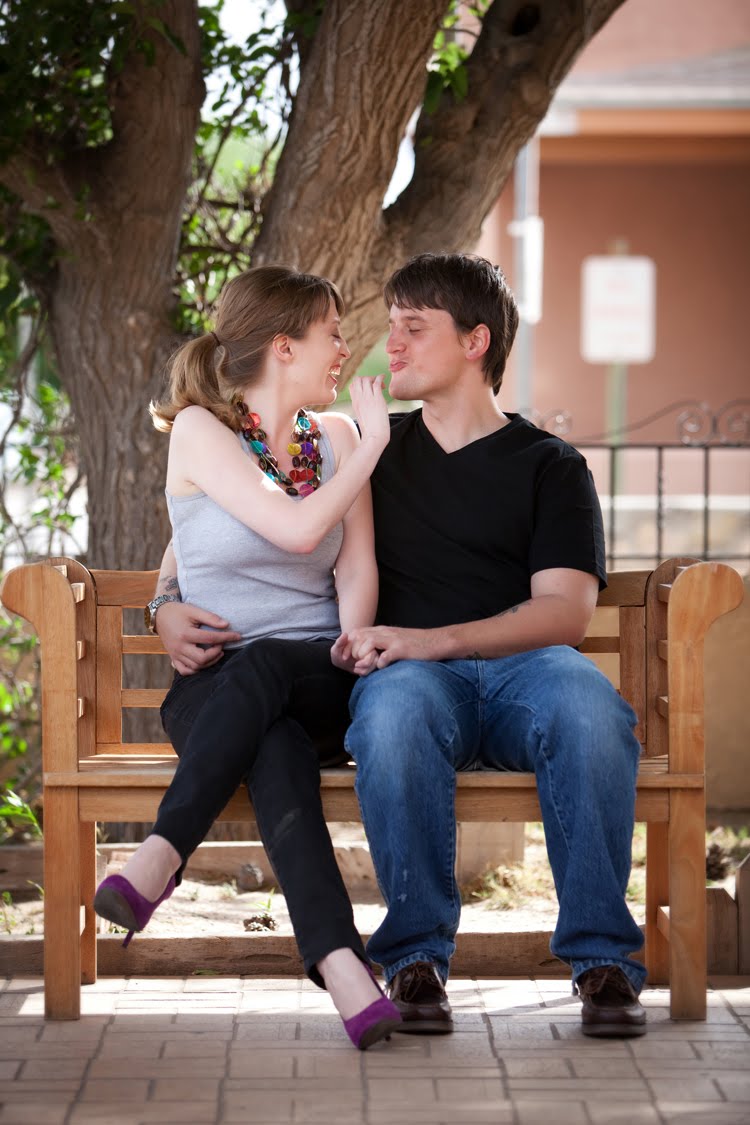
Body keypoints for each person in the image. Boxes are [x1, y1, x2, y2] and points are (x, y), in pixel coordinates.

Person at [155, 253, 648, 1041]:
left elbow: (564, 612)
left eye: (413, 328)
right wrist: (165, 602)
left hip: (525, 670)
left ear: (476, 342)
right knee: (389, 718)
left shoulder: (550, 466)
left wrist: (435, 638)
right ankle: (415, 958)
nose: (390, 345)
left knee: (591, 709)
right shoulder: (370, 450)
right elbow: (223, 517)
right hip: (407, 678)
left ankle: (604, 961)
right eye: (391, 326)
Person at [93, 264, 402, 1051]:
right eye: (332, 333)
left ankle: (161, 853)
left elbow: (352, 564)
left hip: (318, 674)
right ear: (283, 346)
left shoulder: (337, 440)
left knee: (269, 673)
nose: (344, 349)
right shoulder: (202, 430)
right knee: (274, 744)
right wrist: (163, 606)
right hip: (213, 690)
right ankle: (343, 964)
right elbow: (279, 530)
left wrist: (352, 634)